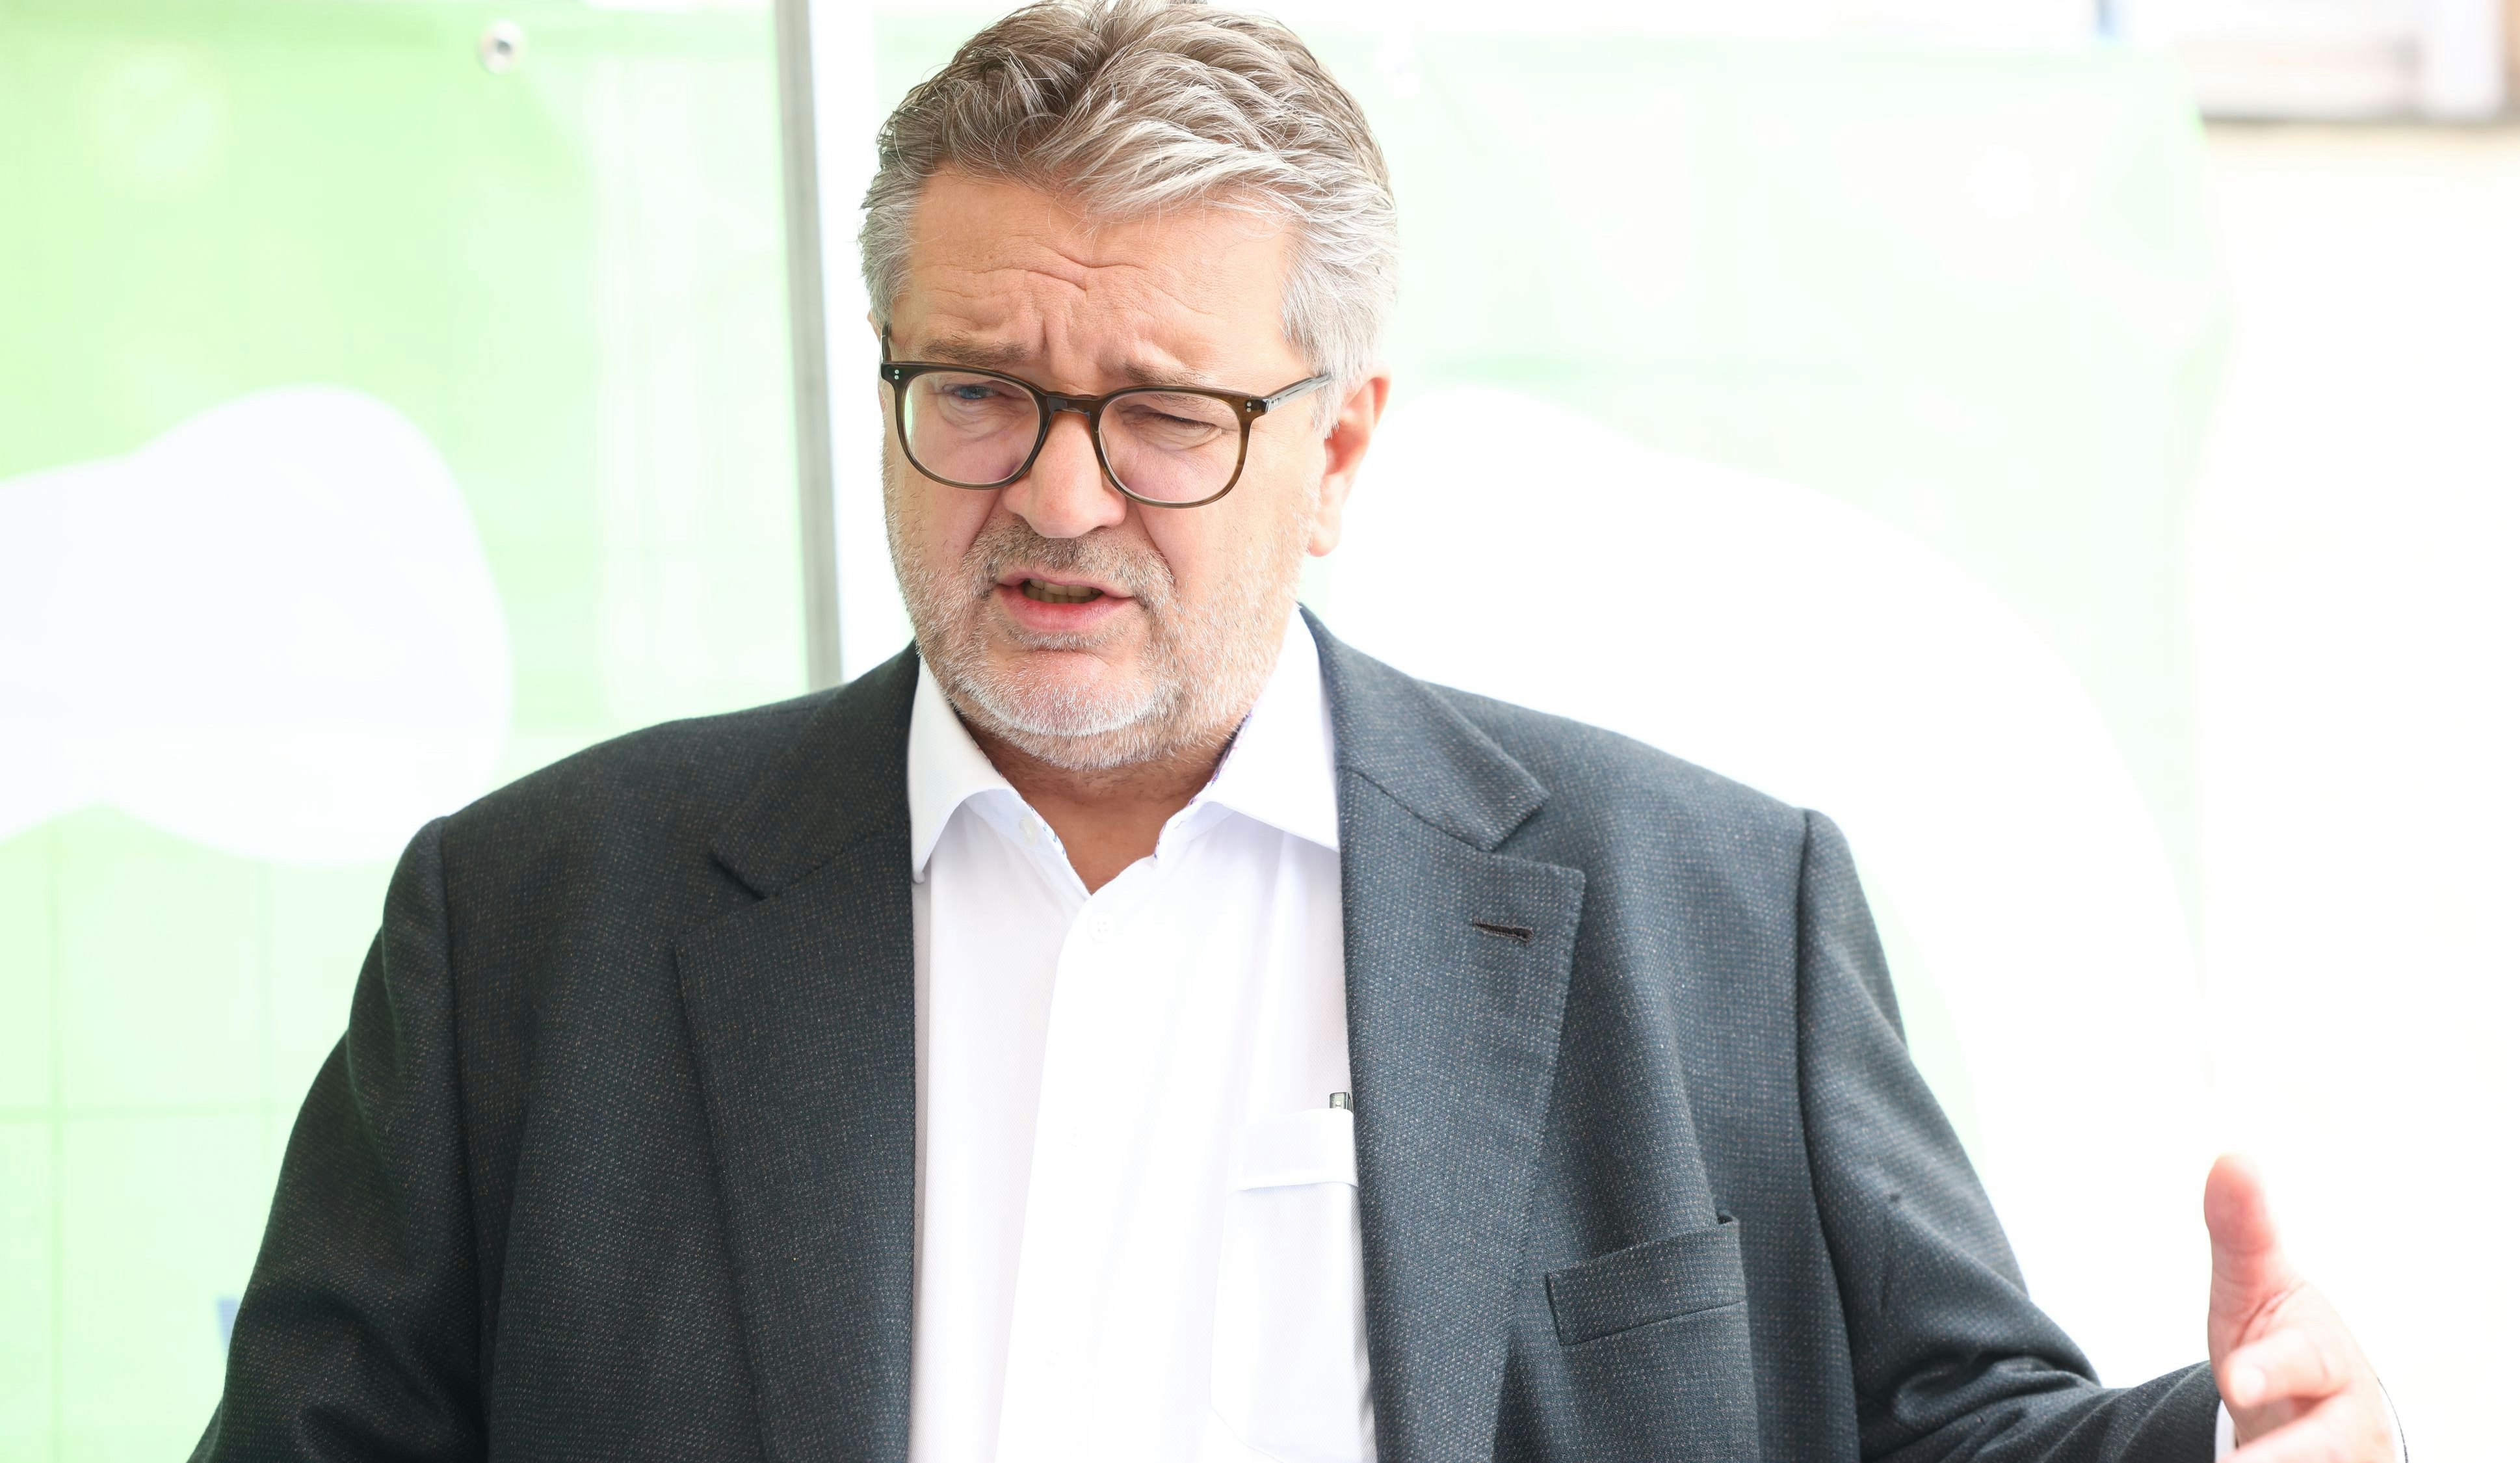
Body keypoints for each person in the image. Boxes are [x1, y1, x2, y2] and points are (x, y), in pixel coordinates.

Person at [196, 3, 2405, 1460]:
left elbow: (1948, 1435)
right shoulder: (534, 928)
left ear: (1338, 448)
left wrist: (2236, 1446)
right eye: (978, 392)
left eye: (1164, 414)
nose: (1059, 497)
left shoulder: (1711, 909)